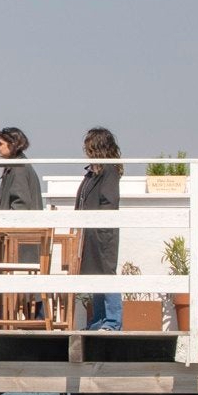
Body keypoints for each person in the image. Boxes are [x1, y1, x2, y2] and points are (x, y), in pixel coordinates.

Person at [76, 126, 123, 330]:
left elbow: (109, 200)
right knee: (95, 274)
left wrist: (98, 223)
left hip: (102, 232)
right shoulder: (93, 171)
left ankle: (112, 321)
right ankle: (98, 320)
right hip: (90, 231)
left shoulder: (109, 169)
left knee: (106, 273)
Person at [0, 126, 43, 211]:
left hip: (17, 223)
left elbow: (20, 205)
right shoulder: (17, 166)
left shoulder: (18, 168)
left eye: (0, 143)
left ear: (12, 145)